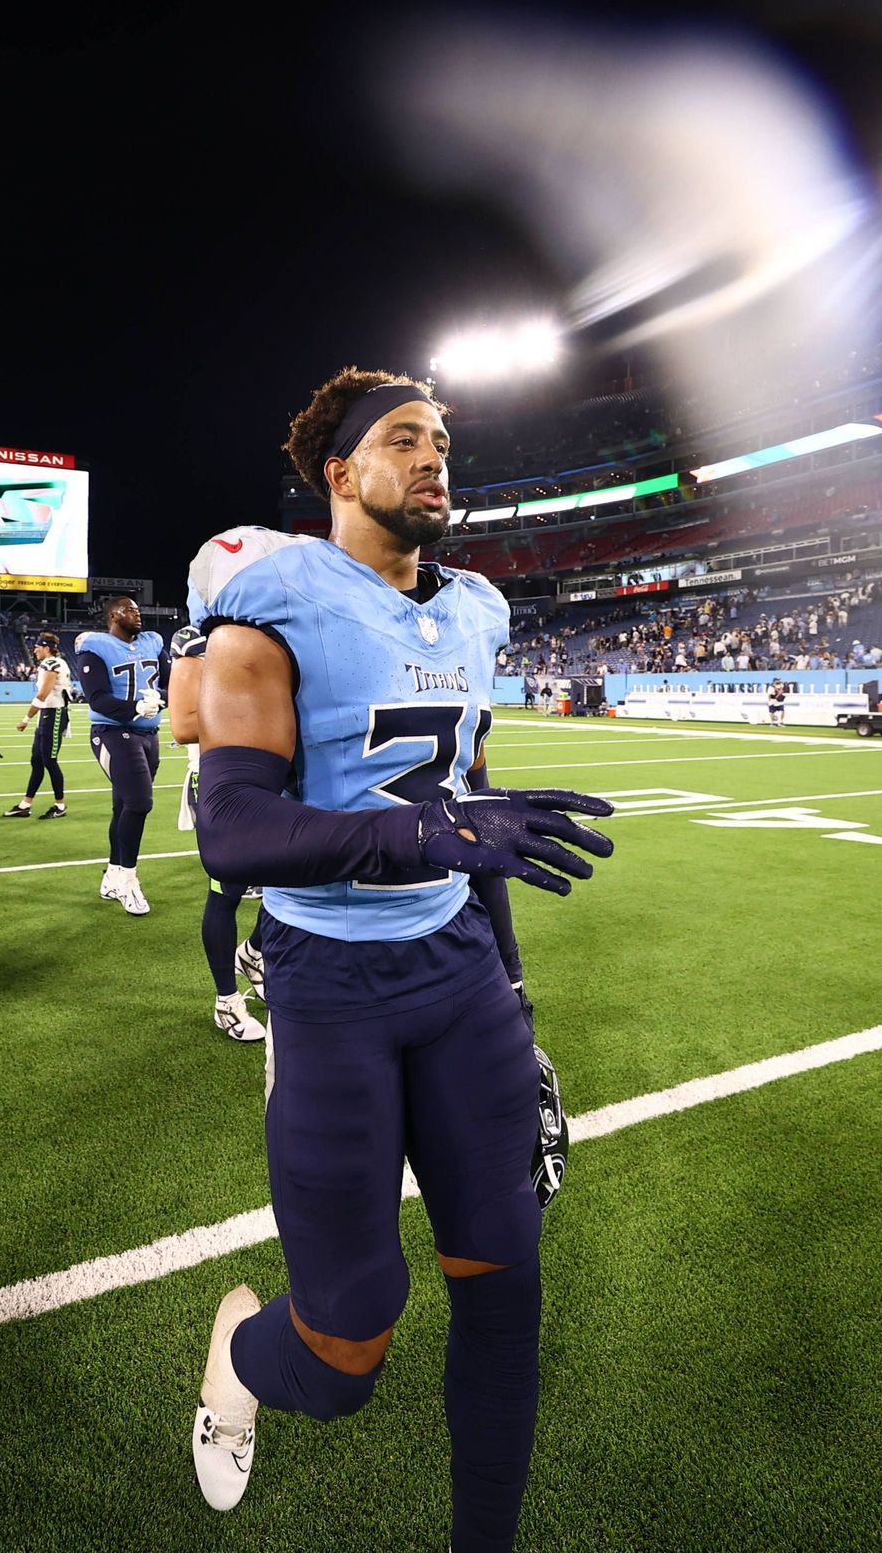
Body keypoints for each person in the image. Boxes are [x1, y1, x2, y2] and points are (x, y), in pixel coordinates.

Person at [188, 368, 614, 1552]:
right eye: (405, 440)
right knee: (345, 1348)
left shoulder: (478, 606)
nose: (435, 458)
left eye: (442, 440)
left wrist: (517, 996)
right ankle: (236, 1350)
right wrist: (416, 830)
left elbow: (474, 822)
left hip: (464, 977)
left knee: (505, 1292)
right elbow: (233, 831)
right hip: (330, 987)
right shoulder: (271, 600)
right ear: (339, 472)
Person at [169, 608, 266, 1044]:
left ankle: (255, 955)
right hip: (219, 780)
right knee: (224, 893)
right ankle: (226, 1000)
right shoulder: (194, 640)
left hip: (273, 779)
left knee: (292, 879)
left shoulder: (275, 632)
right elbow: (184, 725)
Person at [76, 598, 170, 915]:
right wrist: (134, 709)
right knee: (140, 803)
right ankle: (128, 880)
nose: (137, 614)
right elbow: (97, 698)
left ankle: (113, 873)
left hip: (149, 734)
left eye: (138, 609)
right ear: (114, 616)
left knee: (124, 805)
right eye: (130, 610)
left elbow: (172, 685)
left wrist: (162, 699)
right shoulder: (95, 647)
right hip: (113, 732)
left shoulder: (153, 642)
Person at [3, 632, 73, 820]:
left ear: (47, 648)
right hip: (48, 714)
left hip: (54, 713)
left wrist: (26, 719)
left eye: (38, 647)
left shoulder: (52, 664)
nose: (34, 650)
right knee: (37, 761)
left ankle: (60, 806)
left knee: (50, 760)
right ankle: (25, 804)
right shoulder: (51, 663)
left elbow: (43, 694)